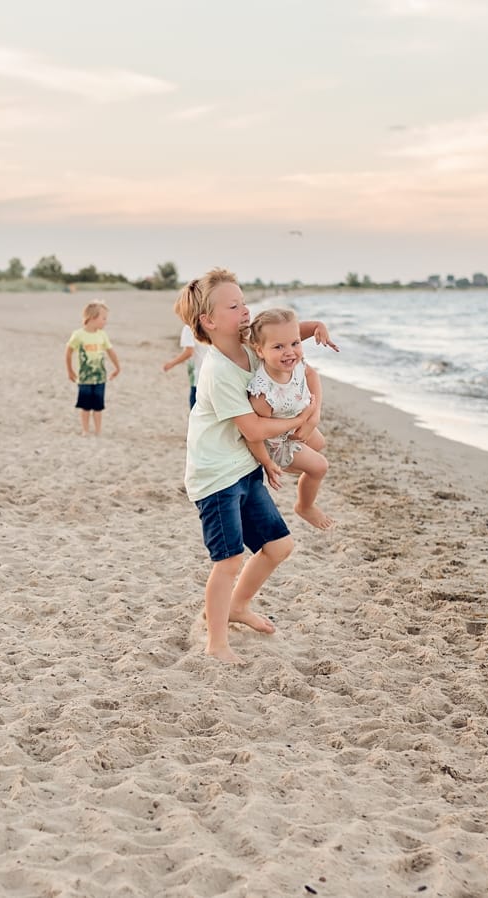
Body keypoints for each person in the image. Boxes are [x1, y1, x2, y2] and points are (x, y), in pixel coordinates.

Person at [175, 267, 338, 665]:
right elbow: (252, 428)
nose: (245, 310)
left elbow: (288, 331)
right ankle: (216, 643)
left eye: (244, 302)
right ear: (209, 321)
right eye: (234, 306)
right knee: (228, 560)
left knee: (279, 546)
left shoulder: (250, 343)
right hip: (216, 476)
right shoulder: (217, 370)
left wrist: (317, 328)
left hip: (243, 465)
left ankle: (237, 606)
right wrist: (300, 419)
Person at [244, 308, 333, 530]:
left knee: (319, 443)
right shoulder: (264, 394)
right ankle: (304, 506)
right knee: (320, 467)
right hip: (278, 443)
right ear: (260, 351)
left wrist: (313, 416)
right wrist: (267, 462)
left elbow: (312, 375)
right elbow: (255, 434)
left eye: (295, 343)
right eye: (278, 347)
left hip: (296, 422)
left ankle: (297, 467)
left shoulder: (296, 364)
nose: (289, 352)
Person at [64, 301, 121, 435]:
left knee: (98, 406)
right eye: (104, 318)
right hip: (85, 378)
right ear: (93, 317)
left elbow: (111, 352)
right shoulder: (78, 335)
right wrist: (70, 371)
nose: (106, 321)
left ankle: (98, 430)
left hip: (100, 377)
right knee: (85, 406)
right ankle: (85, 430)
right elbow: (68, 352)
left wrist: (117, 367)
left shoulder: (102, 335)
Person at [161, 324, 208, 409]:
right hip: (211, 376)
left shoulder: (189, 328)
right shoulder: (208, 324)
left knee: (196, 411)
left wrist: (171, 363)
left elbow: (189, 352)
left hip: (198, 376)